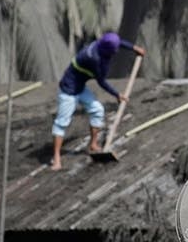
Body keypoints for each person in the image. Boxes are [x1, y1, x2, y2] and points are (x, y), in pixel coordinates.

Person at [50, 31, 145, 170]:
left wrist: (133, 48)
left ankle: (93, 144)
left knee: (98, 110)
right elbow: (101, 82)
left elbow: (118, 42)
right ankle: (56, 158)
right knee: (62, 123)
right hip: (68, 90)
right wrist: (117, 94)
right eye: (114, 51)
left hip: (80, 87)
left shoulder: (101, 44)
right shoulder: (93, 58)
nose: (117, 51)